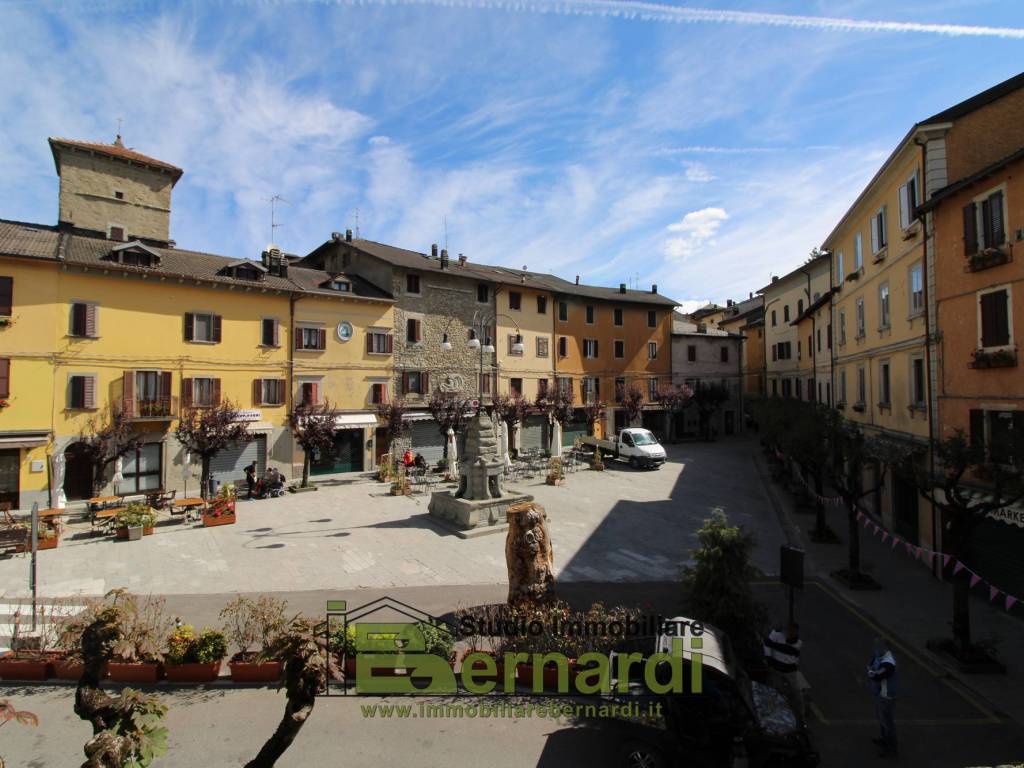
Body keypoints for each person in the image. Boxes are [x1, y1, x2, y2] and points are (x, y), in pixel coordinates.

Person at [763, 621, 804, 725]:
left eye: (794, 633)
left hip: (790, 672)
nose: (791, 634)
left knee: (797, 694)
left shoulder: (798, 643)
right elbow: (767, 644)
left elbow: (795, 657)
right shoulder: (776, 635)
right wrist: (769, 659)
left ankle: (800, 719)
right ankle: (775, 717)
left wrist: (795, 669)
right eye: (790, 632)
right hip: (777, 670)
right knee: (777, 692)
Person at [867, 636, 899, 757]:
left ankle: (891, 748)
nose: (875, 649)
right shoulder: (879, 656)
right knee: (882, 720)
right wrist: (872, 671)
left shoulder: (888, 664)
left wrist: (871, 672)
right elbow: (871, 665)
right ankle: (884, 740)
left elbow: (875, 675)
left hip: (886, 696)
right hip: (879, 693)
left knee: (888, 723)